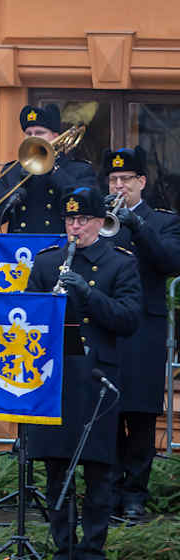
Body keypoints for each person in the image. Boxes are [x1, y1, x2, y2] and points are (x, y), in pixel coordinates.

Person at [25, 186, 140, 560]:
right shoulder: (47, 262)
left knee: (98, 472)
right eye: (70, 220)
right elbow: (28, 319)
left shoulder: (119, 263)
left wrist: (88, 293)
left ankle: (92, 555)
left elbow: (129, 319)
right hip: (55, 378)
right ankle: (63, 551)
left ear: (98, 222)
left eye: (82, 219)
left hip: (98, 380)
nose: (75, 226)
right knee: (57, 468)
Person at [100, 147, 180, 520]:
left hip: (145, 327)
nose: (119, 186)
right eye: (113, 180)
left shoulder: (163, 221)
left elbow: (169, 261)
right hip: (108, 326)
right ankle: (110, 487)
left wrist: (137, 225)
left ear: (141, 183)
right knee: (108, 408)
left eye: (125, 180)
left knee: (143, 413)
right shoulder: (99, 220)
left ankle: (135, 492)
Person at [0, 104, 98, 234]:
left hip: (60, 247)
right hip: (21, 249)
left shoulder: (79, 169)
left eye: (40, 133)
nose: (33, 138)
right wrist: (15, 190)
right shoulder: (13, 170)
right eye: (28, 133)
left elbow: (88, 206)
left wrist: (53, 171)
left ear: (56, 136)